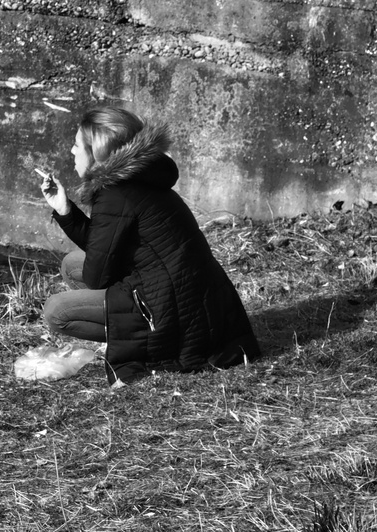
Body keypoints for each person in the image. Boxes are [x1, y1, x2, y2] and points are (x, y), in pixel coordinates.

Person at [37, 106, 260, 386]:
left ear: (96, 153)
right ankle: (127, 329)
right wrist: (65, 209)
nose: (71, 151)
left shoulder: (114, 196)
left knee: (57, 311)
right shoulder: (140, 177)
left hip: (172, 308)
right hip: (194, 294)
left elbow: (98, 276)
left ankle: (139, 340)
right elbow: (106, 247)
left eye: (77, 145)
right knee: (71, 264)